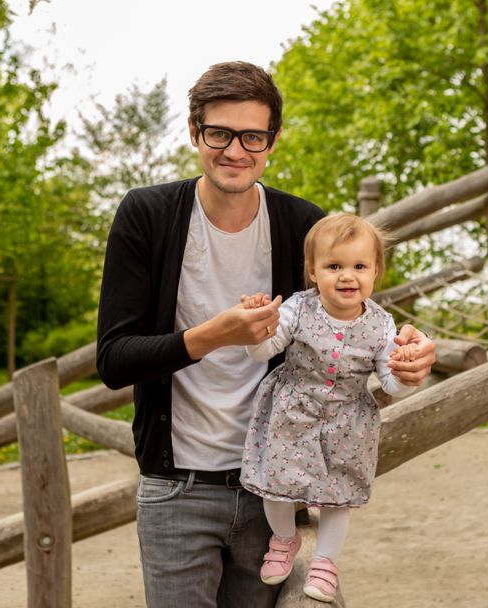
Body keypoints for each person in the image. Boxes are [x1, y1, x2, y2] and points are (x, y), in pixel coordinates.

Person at [95, 61, 436, 608]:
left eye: (252, 136)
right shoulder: (147, 214)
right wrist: (213, 335)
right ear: (193, 132)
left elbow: (354, 323)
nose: (235, 151)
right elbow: (114, 360)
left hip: (273, 486)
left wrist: (407, 358)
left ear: (272, 140)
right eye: (219, 133)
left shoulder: (303, 223)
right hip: (175, 487)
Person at [238, 213, 419, 602]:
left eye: (359, 266)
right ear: (313, 272)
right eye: (334, 266)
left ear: (375, 272)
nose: (347, 276)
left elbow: (390, 383)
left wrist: (405, 373)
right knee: (276, 485)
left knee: (340, 494)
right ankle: (285, 539)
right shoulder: (297, 309)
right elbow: (262, 352)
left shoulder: (384, 326)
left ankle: (325, 562)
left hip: (348, 419)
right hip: (293, 410)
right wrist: (261, 329)